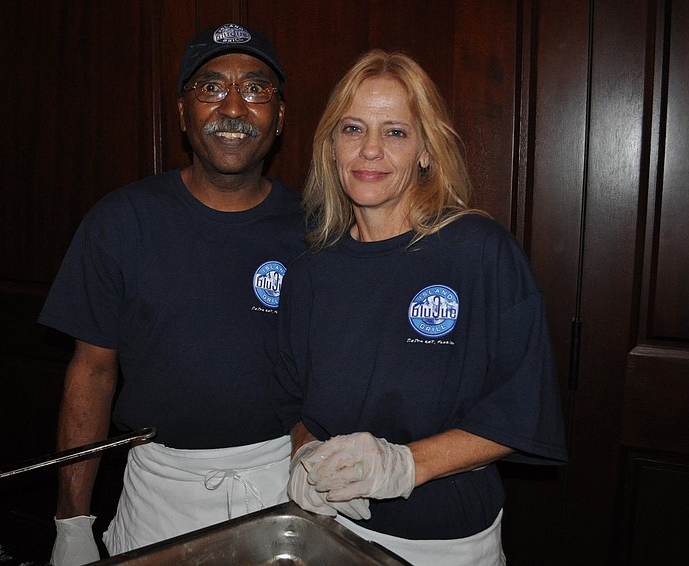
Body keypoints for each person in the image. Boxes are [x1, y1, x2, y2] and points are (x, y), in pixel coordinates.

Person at [273, 50, 568, 565]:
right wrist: (305, 458)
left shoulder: (479, 251)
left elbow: (522, 410)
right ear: (331, 146)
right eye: (352, 129)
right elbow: (297, 408)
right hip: (330, 533)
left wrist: (404, 465)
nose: (369, 151)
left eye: (395, 133)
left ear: (426, 151)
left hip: (447, 544)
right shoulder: (310, 270)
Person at [39, 23, 306, 566]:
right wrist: (71, 523)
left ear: (279, 116)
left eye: (256, 88)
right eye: (210, 87)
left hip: (285, 490)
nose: (234, 106)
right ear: (183, 115)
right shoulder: (120, 222)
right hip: (157, 493)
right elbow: (90, 373)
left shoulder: (317, 228)